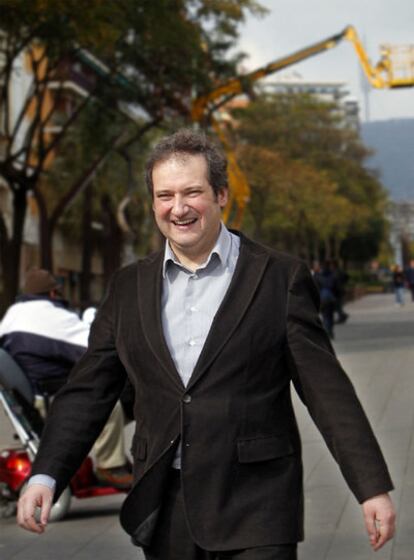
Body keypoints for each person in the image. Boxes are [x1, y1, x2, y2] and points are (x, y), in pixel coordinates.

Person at [18, 130, 395, 559]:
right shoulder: (128, 288)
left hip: (256, 504)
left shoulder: (279, 278)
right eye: (165, 195)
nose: (178, 208)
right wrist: (46, 474)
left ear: (221, 196)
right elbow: (89, 391)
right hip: (164, 505)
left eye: (192, 192)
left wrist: (371, 487)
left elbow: (326, 390)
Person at [0, 268, 132, 489]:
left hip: (30, 397)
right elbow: (95, 348)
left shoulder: (13, 315)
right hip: (52, 396)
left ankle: (112, 457)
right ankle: (110, 466)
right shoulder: (50, 316)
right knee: (112, 403)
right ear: (53, 293)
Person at [314, 260, 337, 339]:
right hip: (331, 298)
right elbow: (336, 287)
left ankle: (327, 332)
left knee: (325, 316)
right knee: (330, 316)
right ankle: (330, 331)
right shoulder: (333, 275)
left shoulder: (317, 276)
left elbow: (315, 288)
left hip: (322, 298)